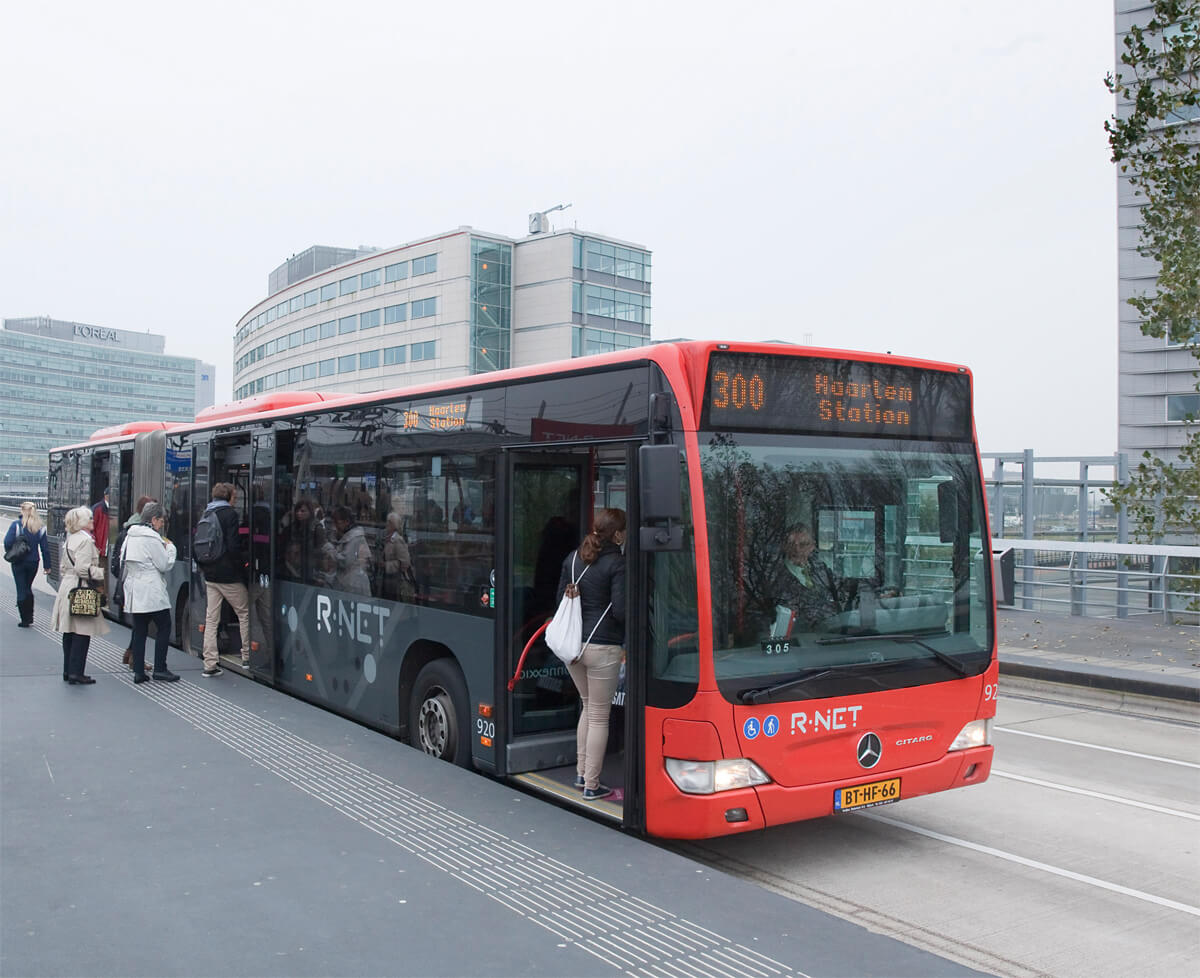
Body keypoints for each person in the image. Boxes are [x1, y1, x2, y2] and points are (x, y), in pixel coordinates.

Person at [556, 507, 627, 801]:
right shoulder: (616, 564)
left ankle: (581, 772)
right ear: (619, 534)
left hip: (572, 647)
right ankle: (592, 785)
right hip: (602, 647)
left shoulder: (573, 559)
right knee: (599, 715)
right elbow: (622, 610)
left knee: (588, 707)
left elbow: (560, 600)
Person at [50, 506, 110, 684]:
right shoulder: (85, 542)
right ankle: (77, 672)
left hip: (68, 587)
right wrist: (100, 573)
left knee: (68, 633)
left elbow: (63, 567)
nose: (93, 521)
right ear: (83, 522)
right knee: (82, 633)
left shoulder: (70, 540)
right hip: (81, 588)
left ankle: (68, 670)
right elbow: (82, 568)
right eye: (90, 518)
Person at [122, 501, 180, 683]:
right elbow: (164, 564)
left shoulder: (130, 535)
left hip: (134, 588)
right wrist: (171, 549)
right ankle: (160, 668)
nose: (162, 525)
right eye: (161, 521)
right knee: (164, 626)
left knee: (139, 630)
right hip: (151, 588)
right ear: (153, 520)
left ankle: (139, 671)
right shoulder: (153, 538)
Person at [199, 482, 250, 677]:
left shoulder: (206, 513)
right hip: (228, 576)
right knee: (244, 612)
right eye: (235, 497)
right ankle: (246, 656)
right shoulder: (230, 515)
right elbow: (233, 547)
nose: (235, 501)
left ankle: (210, 663)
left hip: (210, 575)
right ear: (228, 497)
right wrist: (241, 569)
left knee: (211, 619)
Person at [117, 495, 156, 666]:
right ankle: (135, 661)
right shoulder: (136, 532)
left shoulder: (128, 529)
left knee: (140, 623)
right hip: (136, 585)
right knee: (142, 624)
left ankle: (130, 654)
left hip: (130, 583)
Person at [6, 501, 51, 627]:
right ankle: (30, 615)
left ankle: (24, 619)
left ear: (22, 510)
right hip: (33, 562)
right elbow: (45, 549)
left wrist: (12, 552)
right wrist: (47, 566)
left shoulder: (16, 525)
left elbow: (7, 542)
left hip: (18, 562)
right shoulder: (40, 527)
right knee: (27, 587)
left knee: (21, 588)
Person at [330, 506, 372, 595]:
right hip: (349, 582)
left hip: (353, 583)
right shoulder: (349, 536)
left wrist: (330, 549)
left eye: (337, 523)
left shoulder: (355, 538)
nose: (335, 527)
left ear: (347, 522)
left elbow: (345, 561)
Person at [381, 511, 415, 602]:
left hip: (397, 581)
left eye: (389, 522)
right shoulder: (387, 538)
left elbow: (405, 562)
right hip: (388, 580)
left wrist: (386, 565)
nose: (387, 524)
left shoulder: (398, 540)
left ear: (393, 525)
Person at [91, 487, 111, 557]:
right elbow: (92, 529)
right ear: (106, 496)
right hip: (100, 549)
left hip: (106, 549)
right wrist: (97, 547)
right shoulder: (98, 509)